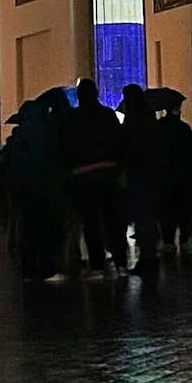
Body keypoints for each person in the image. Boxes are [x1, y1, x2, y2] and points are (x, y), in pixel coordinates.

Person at [60, 79, 126, 277]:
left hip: (83, 176)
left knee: (91, 223)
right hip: (108, 172)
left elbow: (66, 147)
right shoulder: (107, 114)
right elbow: (118, 142)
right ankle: (121, 262)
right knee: (113, 220)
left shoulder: (72, 118)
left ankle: (97, 265)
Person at [3, 92, 69, 282]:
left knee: (29, 229)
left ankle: (29, 269)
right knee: (45, 227)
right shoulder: (42, 130)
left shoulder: (22, 134)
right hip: (42, 185)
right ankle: (47, 268)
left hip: (24, 186)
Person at [119, 84, 164, 278]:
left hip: (137, 176)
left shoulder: (131, 123)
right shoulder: (150, 122)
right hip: (152, 175)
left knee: (142, 218)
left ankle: (146, 258)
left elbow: (126, 149)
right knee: (149, 217)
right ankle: (150, 256)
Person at [155, 96, 192, 253]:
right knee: (184, 209)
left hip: (164, 176)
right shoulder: (184, 129)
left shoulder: (159, 127)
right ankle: (185, 238)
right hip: (183, 176)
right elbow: (191, 155)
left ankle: (168, 240)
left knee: (166, 210)